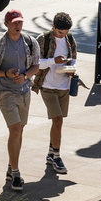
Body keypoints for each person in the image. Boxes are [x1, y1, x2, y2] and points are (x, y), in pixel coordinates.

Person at [0, 9, 40, 191]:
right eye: (14, 22)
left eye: (20, 22)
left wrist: (26, 75)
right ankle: (15, 172)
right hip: (4, 92)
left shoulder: (30, 42)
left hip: (24, 91)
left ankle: (10, 166)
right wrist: (5, 73)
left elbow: (36, 66)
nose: (18, 25)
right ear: (6, 24)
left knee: (20, 129)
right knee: (14, 129)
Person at [32, 12, 77, 174]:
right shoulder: (43, 39)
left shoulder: (70, 40)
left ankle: (51, 153)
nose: (62, 35)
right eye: (59, 32)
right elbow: (34, 63)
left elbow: (74, 59)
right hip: (47, 85)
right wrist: (53, 61)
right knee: (57, 119)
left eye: (65, 33)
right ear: (53, 27)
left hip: (64, 86)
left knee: (58, 122)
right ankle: (57, 156)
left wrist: (71, 69)